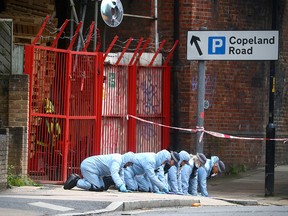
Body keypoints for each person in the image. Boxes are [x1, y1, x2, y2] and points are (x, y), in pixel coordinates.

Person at [63, 152, 135, 192]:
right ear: (126, 160)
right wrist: (120, 185)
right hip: (89, 166)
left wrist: (123, 187)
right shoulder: (117, 160)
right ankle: (77, 181)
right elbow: (114, 173)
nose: (129, 165)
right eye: (129, 163)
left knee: (102, 187)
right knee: (97, 187)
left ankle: (84, 181)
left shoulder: (121, 165)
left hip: (93, 168)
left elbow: (121, 176)